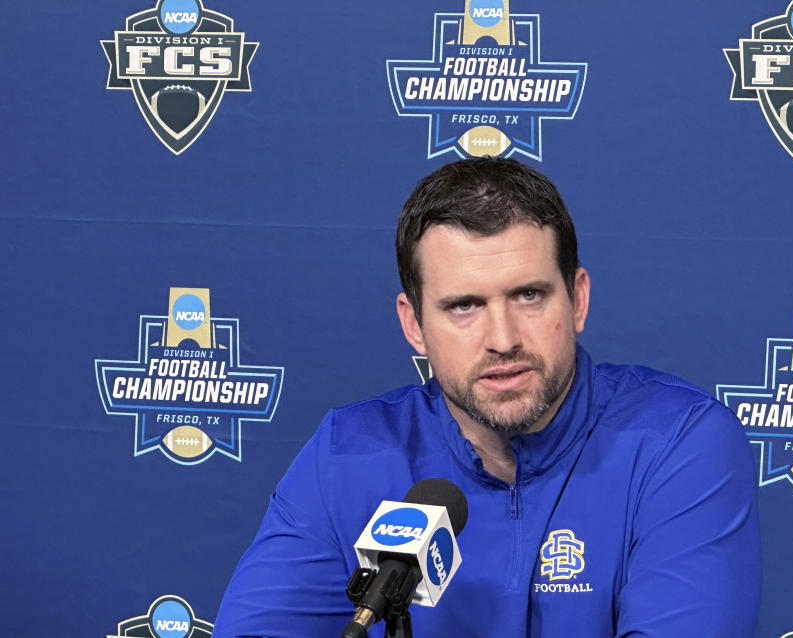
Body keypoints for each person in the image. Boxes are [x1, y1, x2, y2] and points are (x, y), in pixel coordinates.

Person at [213, 158, 761, 637]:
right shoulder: (346, 455)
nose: (502, 339)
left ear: (578, 299)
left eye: (528, 295)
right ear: (414, 324)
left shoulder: (678, 443)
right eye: (463, 306)